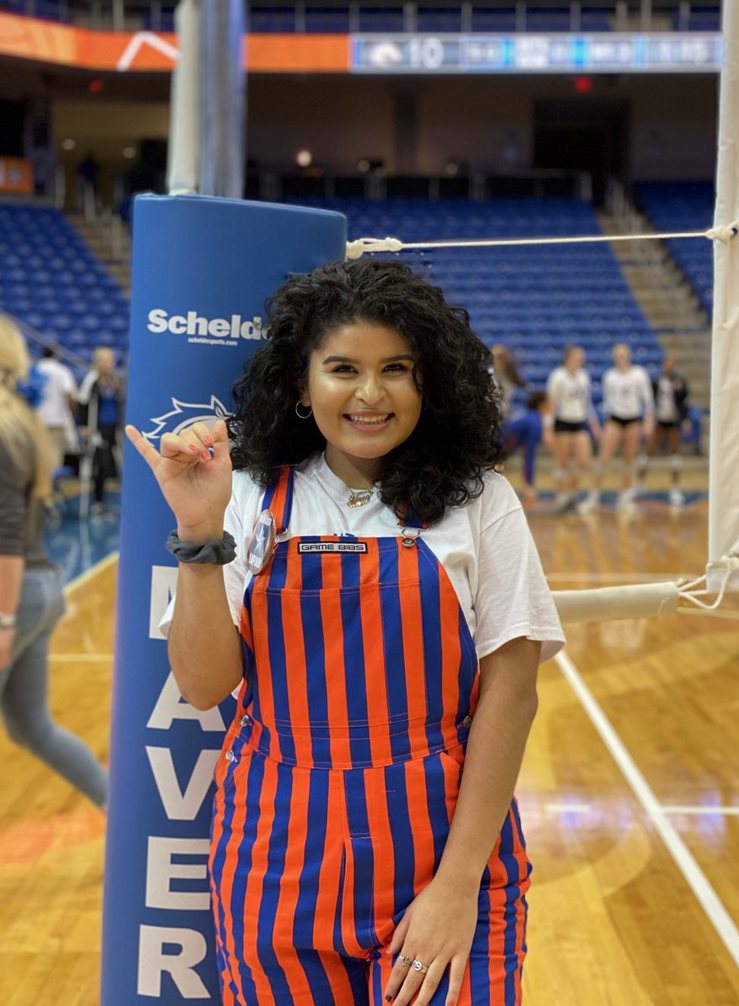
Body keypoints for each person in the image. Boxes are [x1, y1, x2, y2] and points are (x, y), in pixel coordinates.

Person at [127, 259, 564, 1004]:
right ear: (302, 385)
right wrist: (200, 533)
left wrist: (457, 889)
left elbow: (512, 694)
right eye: (343, 369)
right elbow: (203, 687)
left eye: (397, 368)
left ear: (429, 382)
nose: (370, 393)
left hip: (442, 852)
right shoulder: (251, 496)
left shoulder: (481, 500)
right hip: (277, 863)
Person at [0, 316, 107, 808]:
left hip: (12, 597)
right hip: (40, 590)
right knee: (32, 728)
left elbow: (7, 536)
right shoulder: (19, 422)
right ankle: (116, 807)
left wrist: (3, 622)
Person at [581, 343, 654, 513]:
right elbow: (608, 401)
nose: (620, 359)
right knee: (603, 459)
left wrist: (648, 420)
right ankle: (594, 497)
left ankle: (625, 499)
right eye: (617, 356)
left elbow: (647, 400)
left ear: (628, 356)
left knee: (629, 460)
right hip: (615, 419)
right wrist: (606, 425)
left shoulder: (639, 374)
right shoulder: (610, 376)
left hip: (633, 419)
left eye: (623, 355)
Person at [546, 345, 601, 514]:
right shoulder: (558, 376)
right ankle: (562, 499)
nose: (581, 360)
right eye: (578, 356)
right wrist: (548, 428)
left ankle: (572, 495)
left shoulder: (583, 376)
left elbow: (586, 402)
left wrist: (594, 425)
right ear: (569, 357)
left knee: (583, 462)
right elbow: (551, 404)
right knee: (562, 463)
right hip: (563, 423)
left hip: (579, 422)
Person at [636, 357, 690, 507]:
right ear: (663, 365)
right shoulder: (655, 382)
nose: (669, 367)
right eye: (667, 364)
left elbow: (685, 402)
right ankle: (640, 483)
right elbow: (649, 402)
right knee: (647, 453)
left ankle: (675, 488)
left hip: (673, 422)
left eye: (672, 364)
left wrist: (685, 420)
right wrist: (649, 419)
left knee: (675, 456)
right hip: (659, 421)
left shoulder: (680, 382)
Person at [77, 346, 124, 515]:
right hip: (97, 428)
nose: (108, 364)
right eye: (105, 360)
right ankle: (98, 502)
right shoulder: (92, 380)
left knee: (115, 465)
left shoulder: (115, 380)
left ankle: (114, 504)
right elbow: (82, 404)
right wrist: (83, 426)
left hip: (113, 428)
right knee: (99, 466)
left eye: (110, 361)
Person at [500, 390, 554, 506]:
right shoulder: (534, 422)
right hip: (495, 447)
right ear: (542, 405)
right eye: (550, 401)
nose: (553, 404)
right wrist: (529, 485)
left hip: (495, 446)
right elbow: (528, 455)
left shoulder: (529, 416)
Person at [35, 346, 78, 471]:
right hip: (56, 419)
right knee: (54, 453)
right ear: (55, 355)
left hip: (38, 419)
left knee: (40, 452)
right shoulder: (61, 371)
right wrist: (74, 413)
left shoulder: (35, 370)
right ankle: (50, 482)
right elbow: (69, 394)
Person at [490, 343, 526, 418]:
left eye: (503, 358)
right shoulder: (490, 374)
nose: (501, 361)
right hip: (492, 410)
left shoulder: (510, 374)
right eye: (499, 358)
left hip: (506, 409)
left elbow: (522, 384)